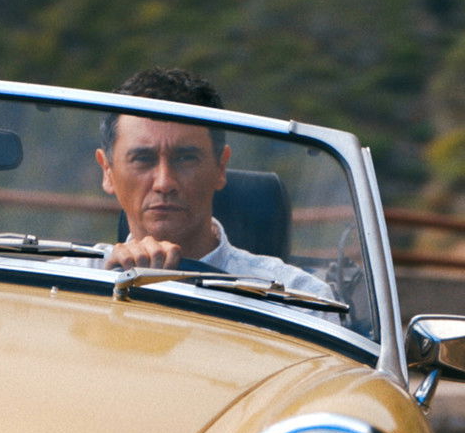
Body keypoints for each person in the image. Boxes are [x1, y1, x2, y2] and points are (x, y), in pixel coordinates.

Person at [91, 67, 332, 299]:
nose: (164, 183)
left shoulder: (296, 296)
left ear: (221, 167)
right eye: (142, 159)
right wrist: (101, 290)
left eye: (186, 158)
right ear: (107, 171)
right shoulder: (75, 277)